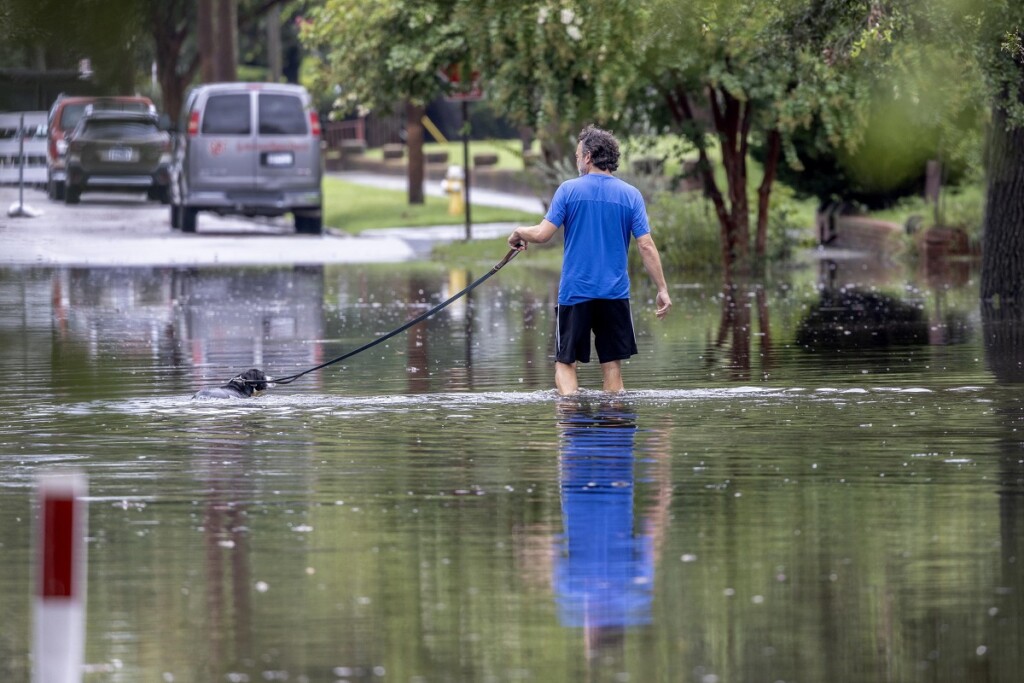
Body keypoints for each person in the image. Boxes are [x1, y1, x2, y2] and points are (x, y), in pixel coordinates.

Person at [508, 125, 672, 395]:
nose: (576, 161)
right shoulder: (631, 195)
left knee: (565, 363)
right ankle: (615, 427)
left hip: (575, 293)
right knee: (612, 365)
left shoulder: (568, 191)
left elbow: (542, 234)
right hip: (614, 294)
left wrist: (518, 232)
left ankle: (571, 424)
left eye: (576, 156)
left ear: (588, 156)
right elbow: (646, 245)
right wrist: (662, 289)